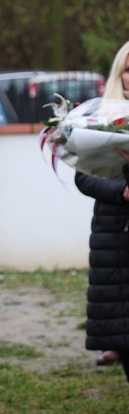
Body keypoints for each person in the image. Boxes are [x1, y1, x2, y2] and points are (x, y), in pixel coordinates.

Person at [75, 40, 129, 378]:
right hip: (114, 235)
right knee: (123, 331)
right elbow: (84, 177)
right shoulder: (103, 118)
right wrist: (121, 191)